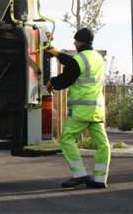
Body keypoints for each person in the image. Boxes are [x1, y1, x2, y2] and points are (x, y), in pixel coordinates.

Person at [45, 27, 110, 189]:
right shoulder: (96, 58)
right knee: (103, 145)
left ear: (80, 42)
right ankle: (100, 179)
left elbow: (65, 79)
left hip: (80, 111)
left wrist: (52, 82)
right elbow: (75, 64)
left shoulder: (79, 60)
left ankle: (79, 173)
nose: (74, 42)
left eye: (75, 40)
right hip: (97, 111)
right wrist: (57, 54)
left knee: (67, 139)